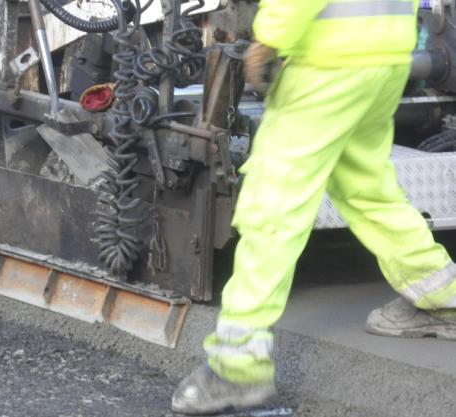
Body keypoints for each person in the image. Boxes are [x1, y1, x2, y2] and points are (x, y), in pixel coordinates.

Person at [171, 0, 456, 414]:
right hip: (388, 55)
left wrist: (269, 37)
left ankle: (237, 366)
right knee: (367, 188)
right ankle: (442, 294)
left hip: (328, 61)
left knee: (274, 201)